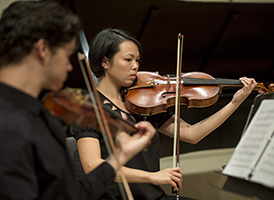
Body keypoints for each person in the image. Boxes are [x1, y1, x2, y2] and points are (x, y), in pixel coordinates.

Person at [72, 28, 257, 200]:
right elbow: (92, 166)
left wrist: (235, 103)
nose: (135, 66)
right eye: (128, 60)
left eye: (137, 60)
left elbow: (192, 134)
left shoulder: (144, 102)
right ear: (105, 62)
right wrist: (152, 177)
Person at [0, 2, 156, 200]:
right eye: (66, 55)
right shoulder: (9, 125)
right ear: (43, 49)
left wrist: (119, 158)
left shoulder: (40, 115)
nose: (69, 67)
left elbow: (72, 194)